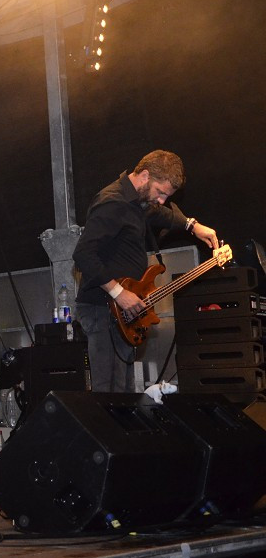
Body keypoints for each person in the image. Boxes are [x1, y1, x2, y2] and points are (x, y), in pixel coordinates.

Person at [72, 150, 218, 393]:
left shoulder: (139, 202)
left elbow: (159, 213)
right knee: (109, 391)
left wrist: (193, 226)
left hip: (124, 310)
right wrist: (119, 293)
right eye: (160, 192)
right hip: (101, 308)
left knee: (125, 390)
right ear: (145, 175)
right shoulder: (112, 202)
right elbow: (83, 254)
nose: (161, 200)